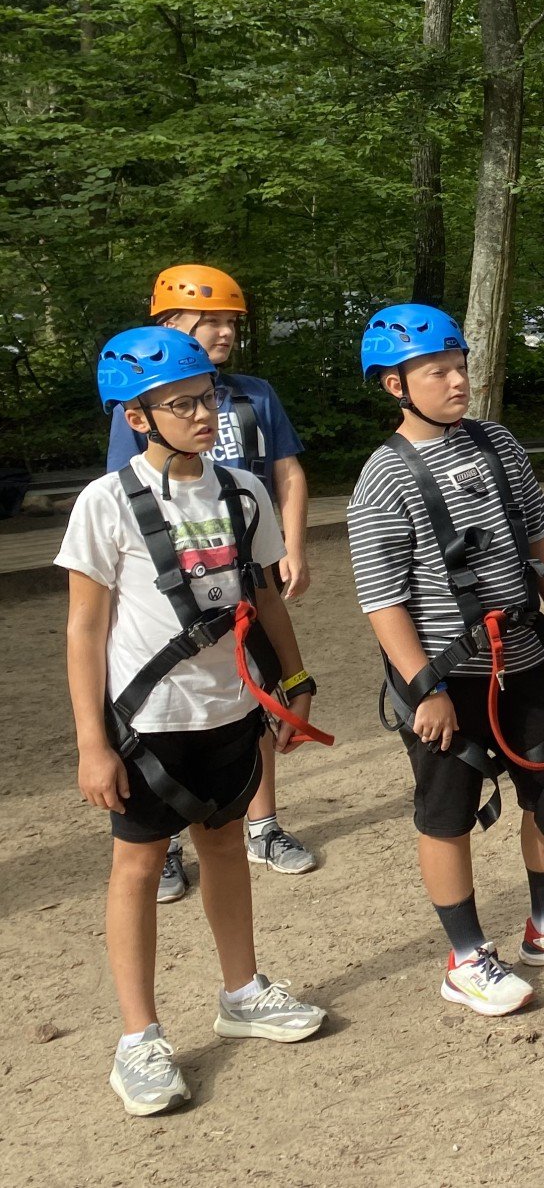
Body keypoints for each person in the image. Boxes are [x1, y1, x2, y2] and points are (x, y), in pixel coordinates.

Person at [62, 328, 328, 1116]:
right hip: (148, 723)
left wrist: (296, 681)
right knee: (139, 867)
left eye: (206, 398)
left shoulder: (243, 493)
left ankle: (242, 991)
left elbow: (266, 596)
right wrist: (91, 745)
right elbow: (84, 629)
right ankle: (138, 1039)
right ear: (137, 417)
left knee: (223, 847)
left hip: (232, 709)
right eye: (181, 404)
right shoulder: (106, 503)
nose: (204, 413)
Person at [349, 304, 544, 1020]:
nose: (457, 381)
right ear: (395, 386)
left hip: (526, 655)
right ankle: (467, 956)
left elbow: (540, 540)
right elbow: (382, 598)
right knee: (447, 813)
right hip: (447, 675)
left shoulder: (497, 443)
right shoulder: (383, 478)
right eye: (437, 371)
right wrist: (424, 688)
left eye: (460, 366)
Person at [106, 265, 317, 895]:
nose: (224, 333)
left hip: (246, 564)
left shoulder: (254, 395)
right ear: (170, 324)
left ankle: (263, 825)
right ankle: (166, 839)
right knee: (166, 696)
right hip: (174, 579)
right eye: (210, 322)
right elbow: (125, 493)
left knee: (256, 683)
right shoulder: (141, 402)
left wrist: (293, 547)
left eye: (231, 322)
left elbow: (288, 472)